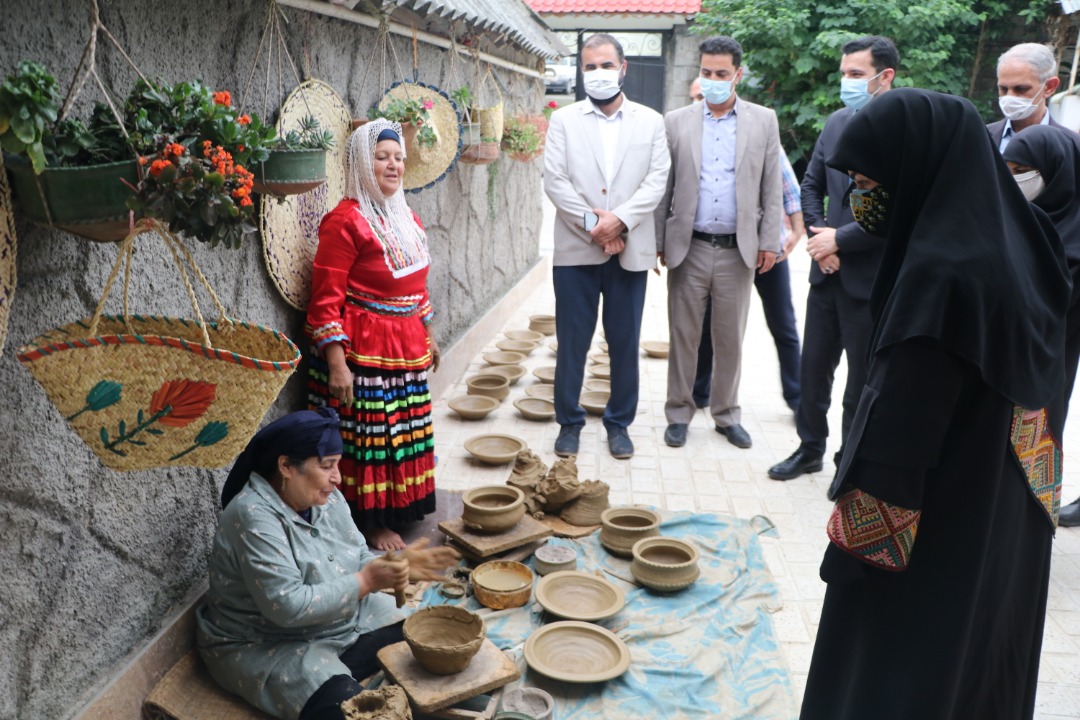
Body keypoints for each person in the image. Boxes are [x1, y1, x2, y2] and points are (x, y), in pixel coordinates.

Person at [800, 88, 1069, 719]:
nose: (860, 198)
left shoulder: (939, 277)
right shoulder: (1022, 238)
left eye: (870, 181)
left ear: (914, 172)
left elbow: (900, 437)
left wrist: (855, 553)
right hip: (1011, 501)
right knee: (981, 655)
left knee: (901, 667)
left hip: (942, 519)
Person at [196, 408, 460, 720]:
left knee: (425, 639)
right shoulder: (253, 516)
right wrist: (366, 583)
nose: (337, 477)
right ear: (286, 466)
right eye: (327, 466)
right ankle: (329, 683)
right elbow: (287, 607)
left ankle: (341, 671)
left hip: (339, 621)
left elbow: (358, 554)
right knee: (355, 711)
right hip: (267, 643)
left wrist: (394, 565)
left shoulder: (326, 496)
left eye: (337, 465)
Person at [305, 119, 438, 550]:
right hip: (365, 353)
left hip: (405, 345)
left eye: (398, 157)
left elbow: (416, 285)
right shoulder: (344, 222)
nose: (393, 165)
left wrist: (428, 332)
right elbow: (325, 297)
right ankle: (371, 522)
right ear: (362, 163)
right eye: (382, 157)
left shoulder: (405, 216)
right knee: (373, 439)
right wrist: (336, 362)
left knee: (402, 432)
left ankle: (401, 511)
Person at [768, 35, 896, 481]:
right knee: (814, 370)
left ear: (886, 77)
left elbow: (899, 208)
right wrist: (823, 238)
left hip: (869, 278)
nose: (847, 82)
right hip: (827, 274)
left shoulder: (902, 130)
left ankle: (851, 461)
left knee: (859, 382)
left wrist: (838, 240)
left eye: (856, 75)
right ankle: (809, 449)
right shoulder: (837, 122)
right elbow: (810, 185)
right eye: (844, 74)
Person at [544, 32, 670, 460]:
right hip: (576, 252)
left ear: (623, 68)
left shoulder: (651, 122)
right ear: (581, 72)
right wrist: (596, 227)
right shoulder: (564, 120)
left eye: (605, 65)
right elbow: (556, 183)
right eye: (589, 67)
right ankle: (569, 423)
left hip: (630, 252)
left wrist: (620, 222)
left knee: (624, 342)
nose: (598, 73)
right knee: (572, 342)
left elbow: (656, 182)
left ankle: (619, 424)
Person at [656, 35, 782, 450]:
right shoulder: (676, 121)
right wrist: (659, 240)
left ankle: (727, 415)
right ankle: (678, 413)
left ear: (737, 75)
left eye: (721, 74)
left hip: (737, 250)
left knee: (730, 337)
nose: (713, 80)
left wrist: (770, 241)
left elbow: (771, 189)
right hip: (688, 247)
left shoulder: (764, 120)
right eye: (706, 73)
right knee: (684, 335)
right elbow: (665, 187)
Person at [1004, 124, 1080, 526]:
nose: (1016, 179)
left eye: (1025, 169)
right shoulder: (1015, 223)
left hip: (1043, 378)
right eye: (1009, 169)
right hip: (1001, 374)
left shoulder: (1073, 242)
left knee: (1032, 462)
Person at [692, 148, 805, 414]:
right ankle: (699, 390)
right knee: (710, 321)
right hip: (728, 250)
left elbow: (788, 186)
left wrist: (798, 228)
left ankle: (798, 398)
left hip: (769, 249)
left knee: (784, 324)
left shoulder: (765, 138)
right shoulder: (710, 140)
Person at [987, 43, 1065, 153]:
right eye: (1003, 89)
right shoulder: (981, 136)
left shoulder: (1071, 145)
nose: (1010, 97)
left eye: (1021, 89)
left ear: (1049, 87)